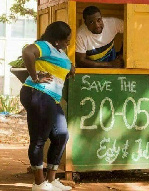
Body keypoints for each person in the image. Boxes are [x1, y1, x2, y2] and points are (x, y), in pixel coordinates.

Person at [20, 21, 75, 191]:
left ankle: (51, 180)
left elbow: (64, 66)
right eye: (66, 40)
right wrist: (35, 76)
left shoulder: (59, 51)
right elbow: (27, 52)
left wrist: (71, 69)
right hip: (39, 93)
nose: (68, 43)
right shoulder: (45, 46)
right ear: (57, 40)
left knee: (61, 136)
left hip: (51, 98)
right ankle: (38, 183)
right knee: (39, 138)